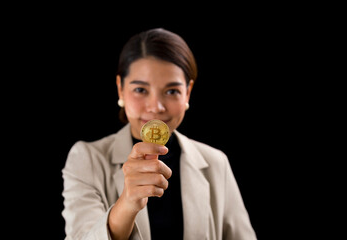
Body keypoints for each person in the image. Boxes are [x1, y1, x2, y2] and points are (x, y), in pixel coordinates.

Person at [61, 28, 257, 240]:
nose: (156, 107)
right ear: (120, 89)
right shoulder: (87, 159)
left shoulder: (216, 162)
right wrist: (127, 202)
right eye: (141, 90)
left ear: (188, 93)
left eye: (172, 91)